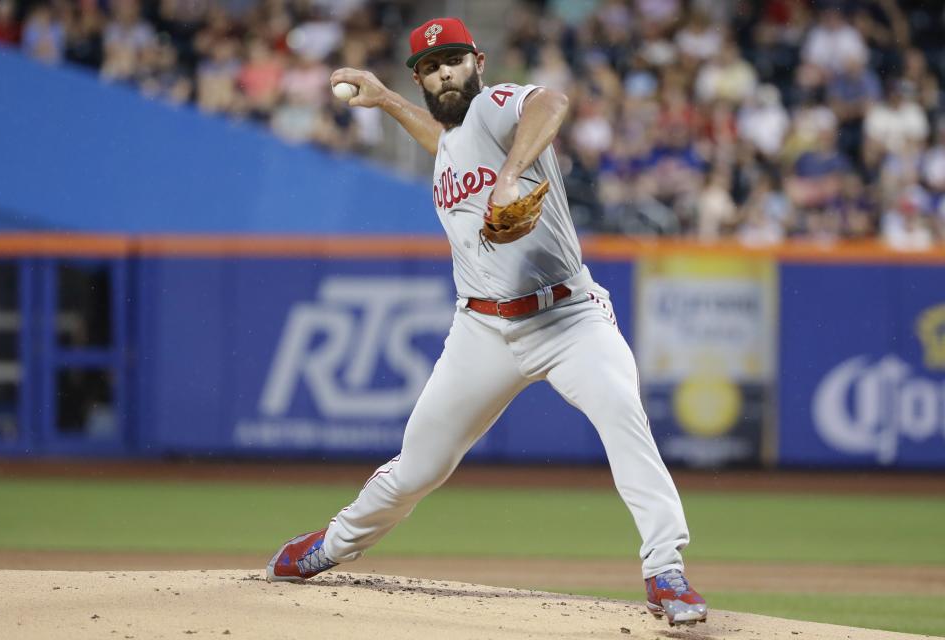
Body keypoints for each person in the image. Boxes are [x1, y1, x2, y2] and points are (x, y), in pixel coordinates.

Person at [265, 17, 708, 627]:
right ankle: (333, 545)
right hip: (481, 331)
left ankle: (666, 569)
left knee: (622, 415)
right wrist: (388, 100)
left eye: (453, 60)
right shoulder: (453, 140)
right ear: (419, 77)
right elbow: (446, 144)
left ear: (479, 62)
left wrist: (508, 176)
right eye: (429, 66)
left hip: (569, 318)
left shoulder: (501, 106)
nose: (444, 72)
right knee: (419, 465)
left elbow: (552, 101)